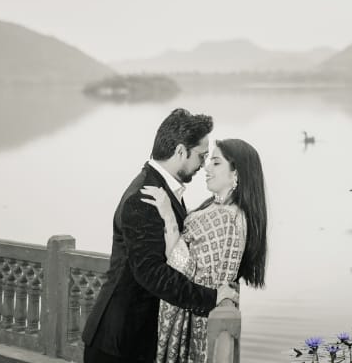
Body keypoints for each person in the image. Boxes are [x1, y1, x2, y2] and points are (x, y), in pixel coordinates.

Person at [82, 108, 239, 363]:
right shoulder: (145, 197)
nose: (203, 164)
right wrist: (211, 297)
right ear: (180, 151)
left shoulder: (164, 189)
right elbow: (151, 273)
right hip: (120, 343)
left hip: (135, 339)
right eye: (201, 155)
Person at [139, 138, 268, 363]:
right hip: (199, 309)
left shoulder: (227, 217)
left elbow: (188, 268)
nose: (206, 168)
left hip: (195, 316)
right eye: (208, 161)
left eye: (216, 163)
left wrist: (168, 216)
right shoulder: (219, 208)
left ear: (235, 174)